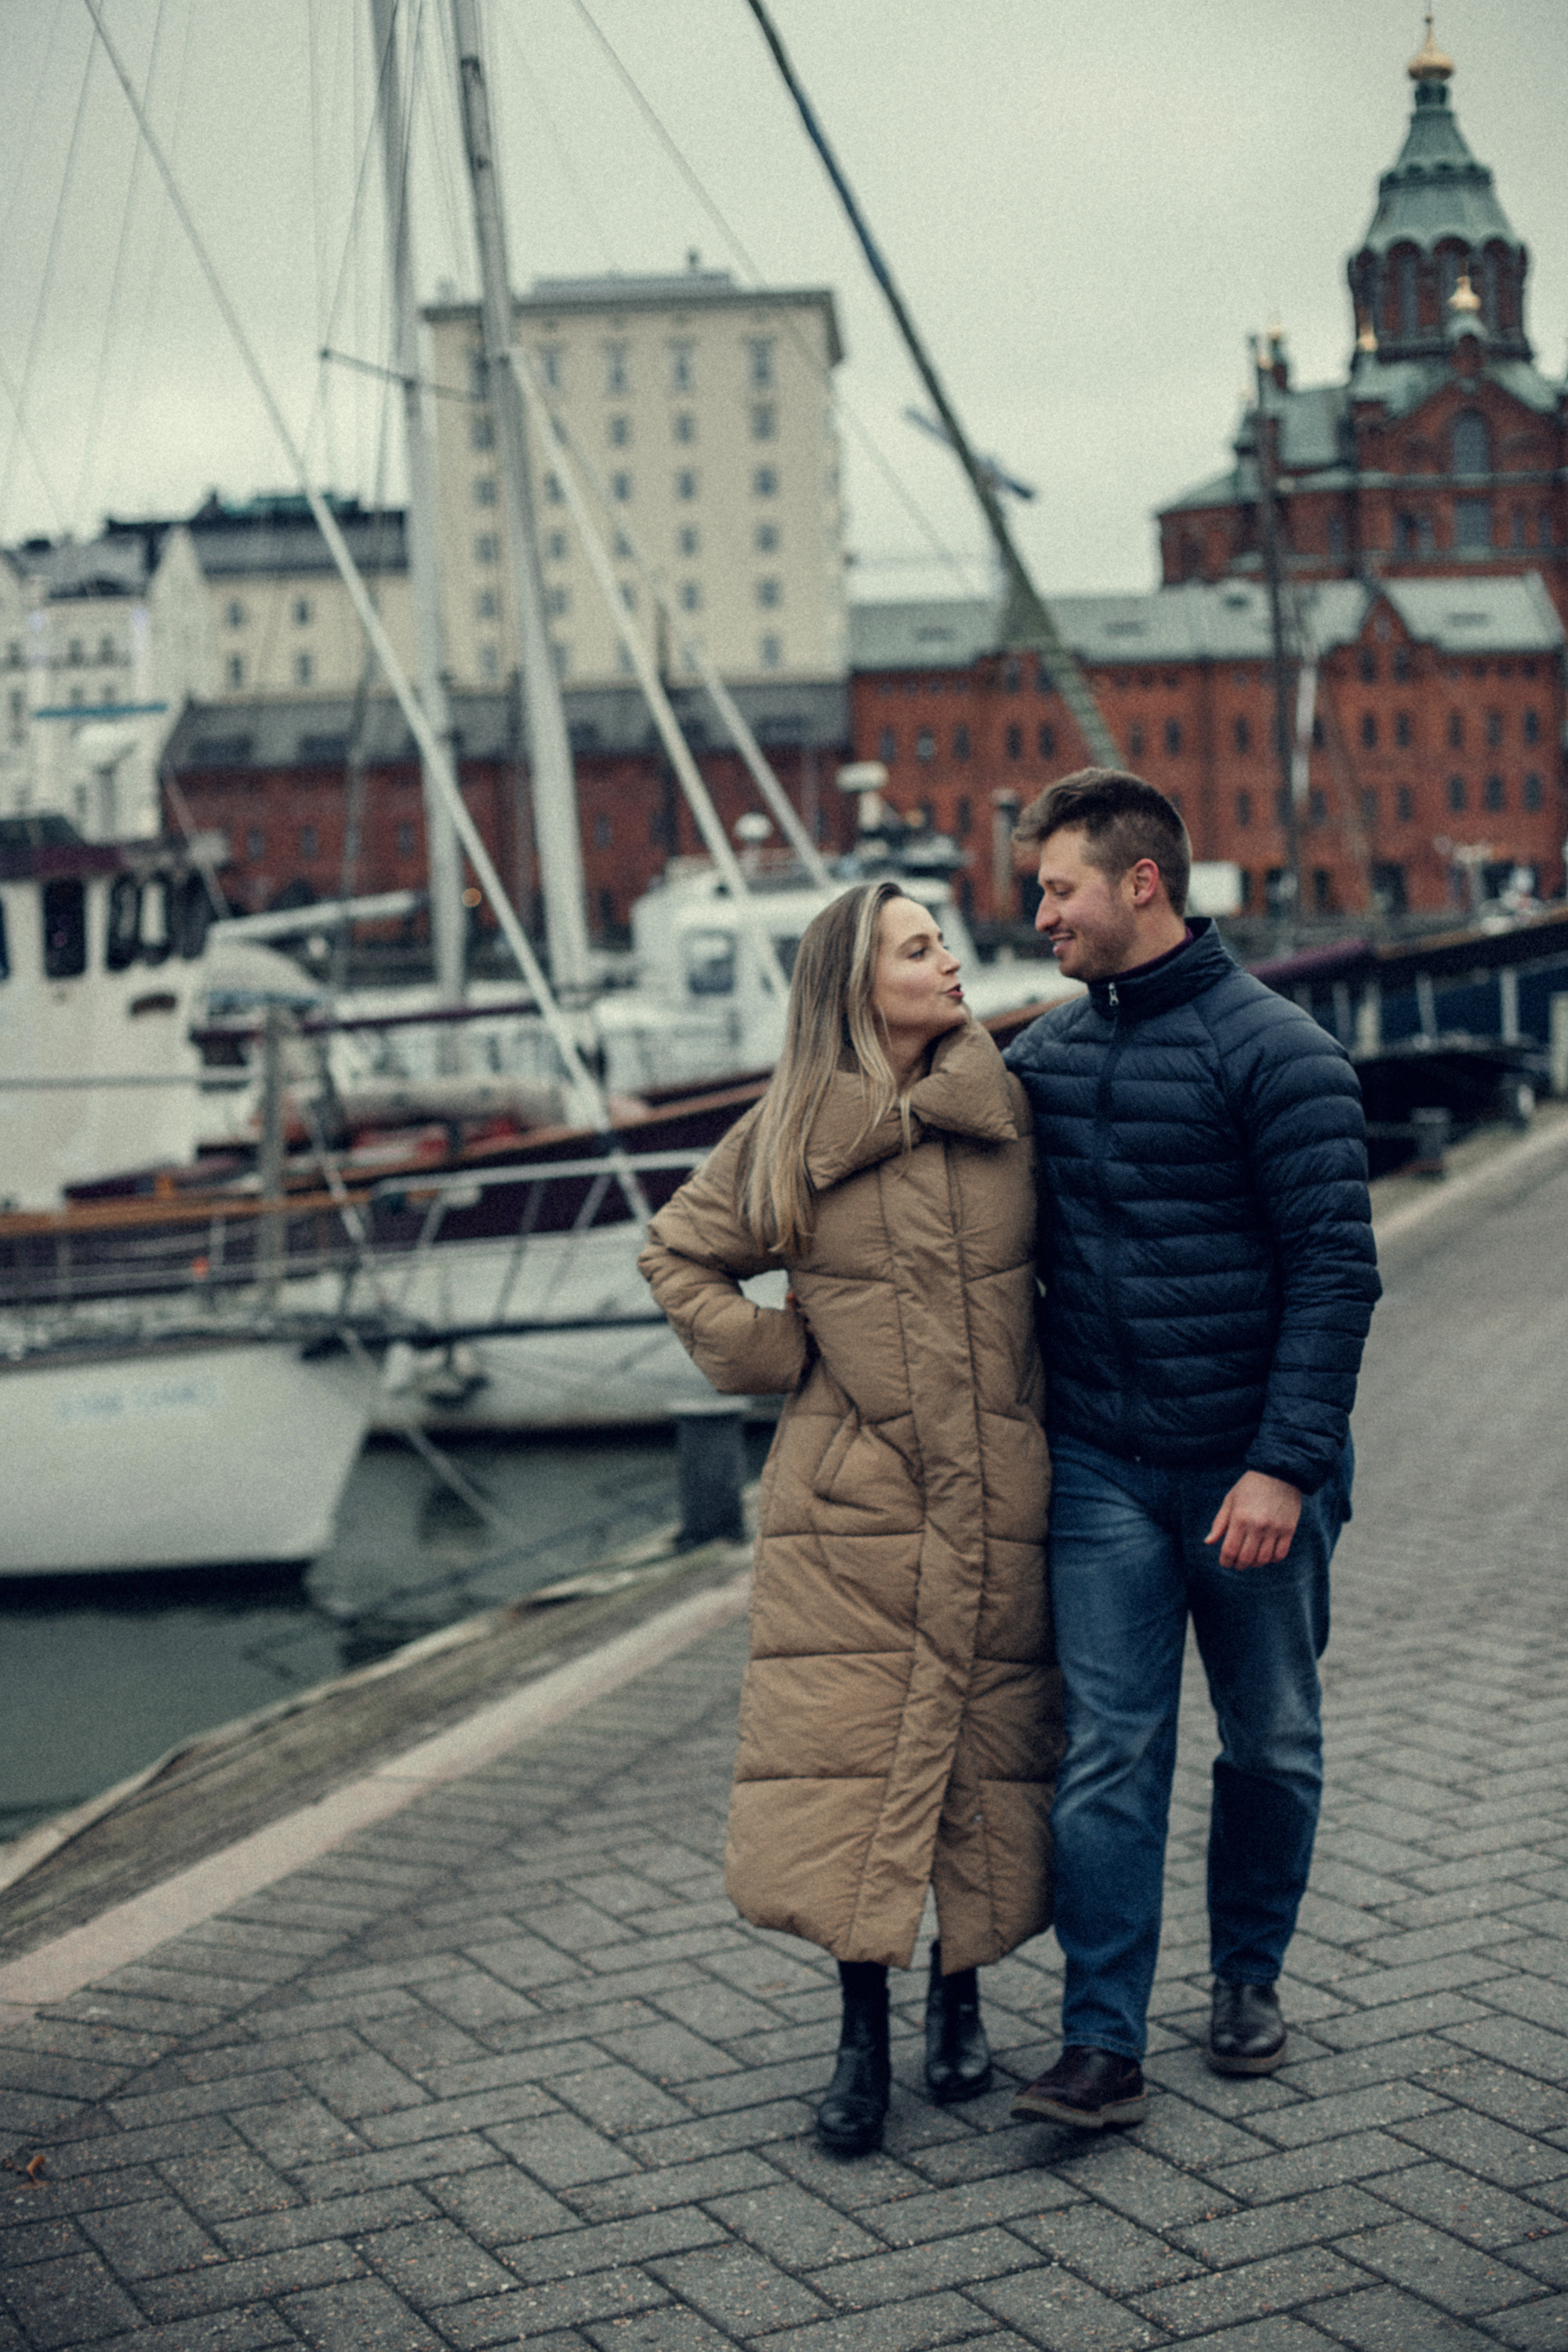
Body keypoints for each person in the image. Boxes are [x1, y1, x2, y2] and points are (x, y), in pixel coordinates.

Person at [640, 878, 1062, 2156]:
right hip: (851, 1510)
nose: (950, 963)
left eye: (944, 944)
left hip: (998, 1492)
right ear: (855, 981)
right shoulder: (788, 1132)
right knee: (855, 1763)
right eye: (921, 948)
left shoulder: (1013, 1112)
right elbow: (678, 1252)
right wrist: (787, 1360)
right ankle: (860, 2035)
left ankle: (963, 1994)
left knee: (984, 1751)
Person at [1003, 770, 1381, 2130]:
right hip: (1102, 1467)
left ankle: (1246, 1980)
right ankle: (1100, 2042)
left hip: (1252, 1468)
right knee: (1110, 1747)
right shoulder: (1041, 1060)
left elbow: (1336, 1273)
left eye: (1059, 888)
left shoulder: (1278, 1054)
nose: (1039, 912)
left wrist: (1282, 1466)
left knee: (1270, 1741)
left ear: (1140, 883)